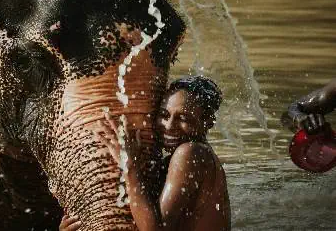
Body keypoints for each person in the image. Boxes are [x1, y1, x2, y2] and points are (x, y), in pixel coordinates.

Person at [60, 76, 231, 231]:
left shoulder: (191, 152)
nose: (169, 126)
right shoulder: (192, 157)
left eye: (183, 118)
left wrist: (129, 166)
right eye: (164, 115)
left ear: (208, 122)